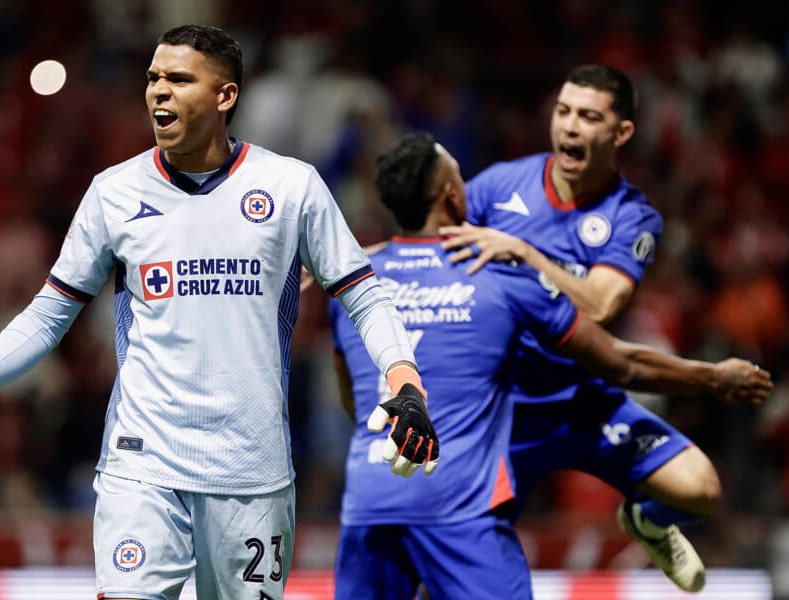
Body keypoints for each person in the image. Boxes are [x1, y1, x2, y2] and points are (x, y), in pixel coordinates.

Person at [0, 25, 440, 600]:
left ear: (225, 97)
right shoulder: (113, 193)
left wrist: (406, 384)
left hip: (252, 472)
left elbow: (364, 294)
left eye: (179, 79)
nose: (158, 92)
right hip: (142, 464)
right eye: (153, 79)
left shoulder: (292, 188)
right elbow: (49, 313)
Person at [330, 131, 772, 600]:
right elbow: (619, 362)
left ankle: (648, 520)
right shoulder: (497, 274)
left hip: (371, 498)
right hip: (459, 504)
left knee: (695, 485)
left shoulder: (353, 285)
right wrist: (713, 376)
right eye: (460, 174)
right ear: (451, 193)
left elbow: (354, 405)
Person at [437, 64, 720, 592]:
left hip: (587, 402)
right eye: (563, 112)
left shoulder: (633, 216)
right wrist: (349, 259)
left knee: (700, 488)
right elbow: (427, 243)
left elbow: (602, 305)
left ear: (621, 133)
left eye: (589, 117)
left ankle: (646, 521)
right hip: (502, 413)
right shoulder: (500, 185)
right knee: (442, 579)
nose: (569, 126)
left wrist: (523, 251)